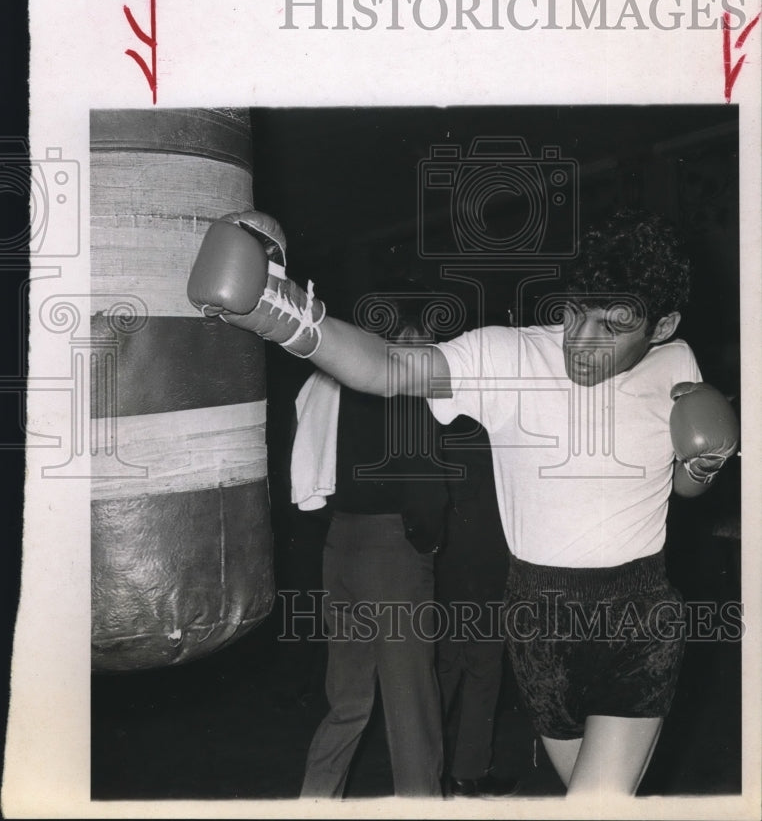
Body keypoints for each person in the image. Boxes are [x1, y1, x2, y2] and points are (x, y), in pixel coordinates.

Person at [187, 206, 740, 799]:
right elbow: (388, 369)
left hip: (637, 619)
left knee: (594, 805)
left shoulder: (678, 362)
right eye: (576, 312)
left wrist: (703, 468)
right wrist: (282, 312)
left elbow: (680, 489)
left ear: (661, 327)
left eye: (612, 326)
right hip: (537, 627)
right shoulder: (510, 357)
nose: (581, 341)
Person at [288, 303, 449, 799]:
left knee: (348, 701)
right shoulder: (402, 392)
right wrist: (430, 542)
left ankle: (313, 802)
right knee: (411, 705)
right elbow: (425, 489)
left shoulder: (325, 384)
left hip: (339, 544)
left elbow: (308, 477)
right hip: (390, 551)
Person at [435, 415, 518, 798]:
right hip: (486, 559)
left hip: (446, 560)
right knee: (483, 669)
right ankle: (466, 773)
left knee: (445, 666)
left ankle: (429, 768)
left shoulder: (438, 422)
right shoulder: (495, 425)